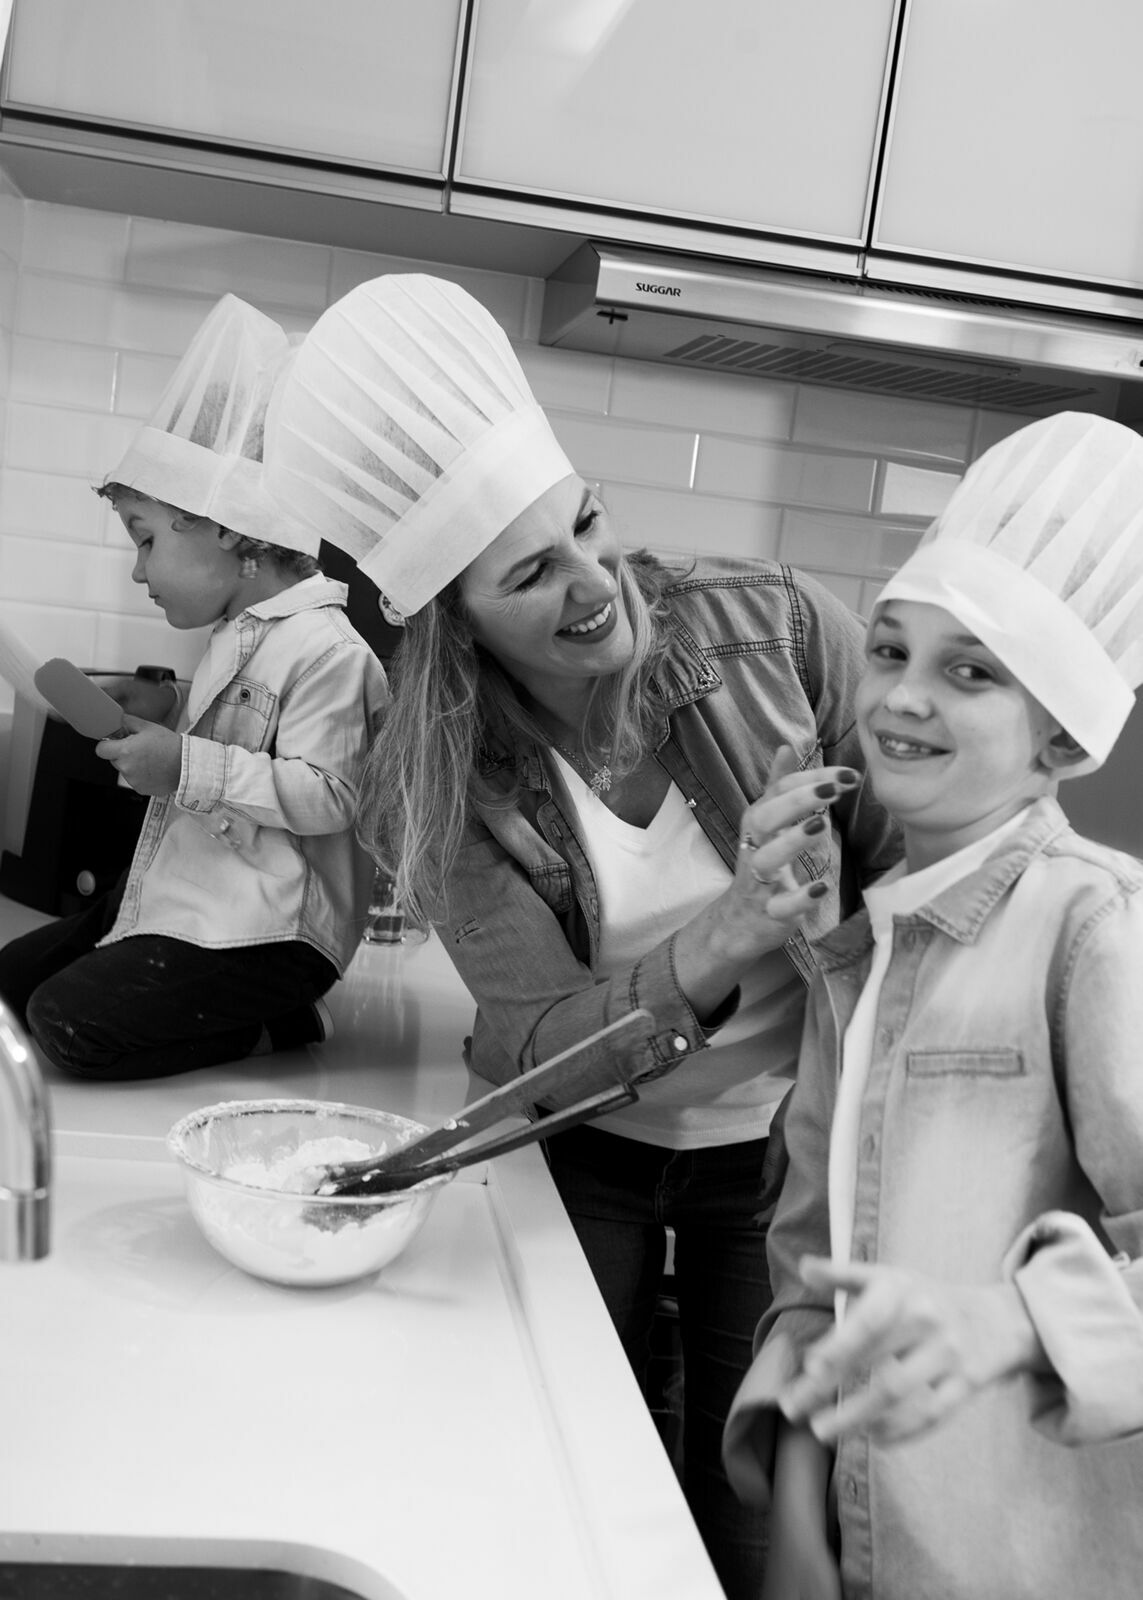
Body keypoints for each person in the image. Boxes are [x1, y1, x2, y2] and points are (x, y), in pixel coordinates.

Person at [261, 272, 901, 1599]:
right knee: (560, 1483)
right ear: (453, 617)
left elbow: (909, 878)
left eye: (587, 525)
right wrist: (727, 932)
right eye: (532, 572)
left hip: (781, 1160)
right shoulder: (429, 775)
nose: (595, 582)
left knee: (756, 1498)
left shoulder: (776, 628)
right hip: (584, 1158)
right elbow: (537, 1048)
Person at [722, 410, 1143, 1600]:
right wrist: (800, 1498)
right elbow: (814, 1257)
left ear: (1060, 734)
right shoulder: (862, 942)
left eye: (969, 671)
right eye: (891, 650)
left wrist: (1012, 1322)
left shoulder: (1094, 929)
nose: (900, 697)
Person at [0, 295, 388, 1080]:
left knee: (68, 1028)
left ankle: (277, 1026)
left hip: (268, 937)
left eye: (146, 540)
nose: (139, 570)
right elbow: (239, 731)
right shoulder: (235, 636)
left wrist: (182, 764)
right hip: (184, 901)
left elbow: (330, 796)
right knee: (8, 995)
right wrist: (172, 709)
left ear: (234, 533)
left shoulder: (329, 652)